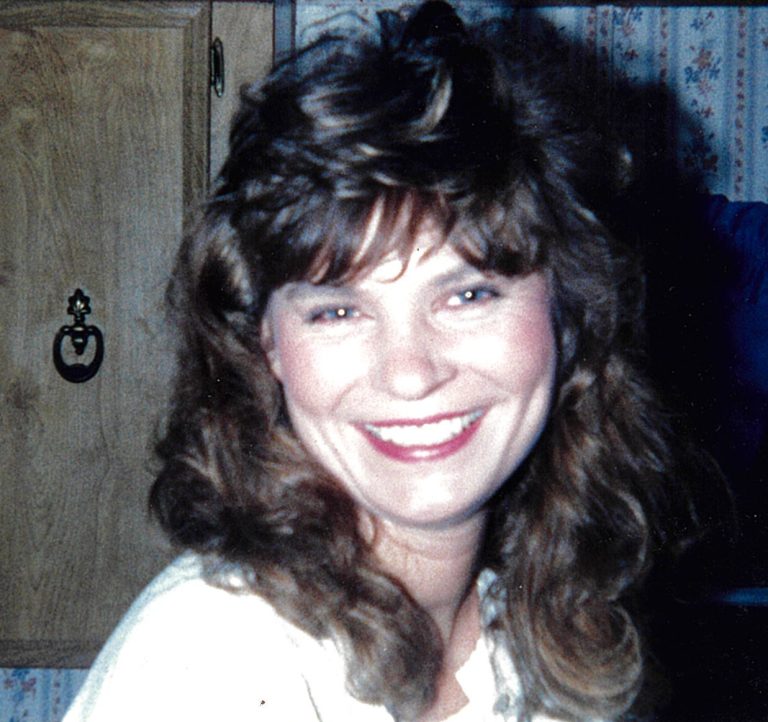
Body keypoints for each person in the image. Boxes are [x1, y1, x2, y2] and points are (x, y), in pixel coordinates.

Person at [64, 2, 703, 721]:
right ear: (267, 348)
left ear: (568, 314)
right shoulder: (209, 658)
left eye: (467, 294)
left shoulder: (534, 630)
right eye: (338, 311)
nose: (410, 372)